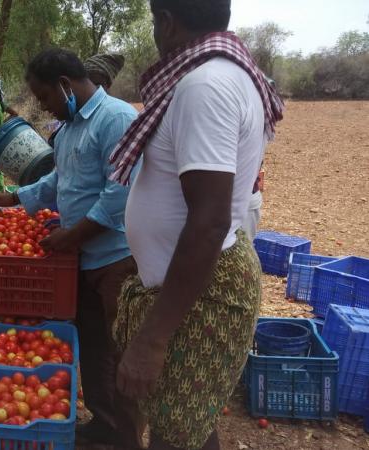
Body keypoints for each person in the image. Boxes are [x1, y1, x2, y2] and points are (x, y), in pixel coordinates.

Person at [108, 1, 284, 449]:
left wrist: (151, 340)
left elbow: (208, 221)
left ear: (166, 22)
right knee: (188, 425)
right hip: (194, 284)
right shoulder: (232, 75)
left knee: (176, 435)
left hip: (201, 294)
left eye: (153, 22)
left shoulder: (204, 86)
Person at [0, 49, 145, 450]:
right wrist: (15, 198)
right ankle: (104, 424)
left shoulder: (117, 119)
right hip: (83, 259)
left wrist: (70, 237)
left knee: (121, 350)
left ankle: (126, 438)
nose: (43, 106)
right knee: (92, 345)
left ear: (64, 85)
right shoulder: (70, 129)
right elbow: (59, 181)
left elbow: (118, 194)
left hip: (117, 259)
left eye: (44, 98)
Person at [47, 52, 124, 147]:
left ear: (107, 85)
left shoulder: (116, 117)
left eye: (96, 84)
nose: (91, 89)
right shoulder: (69, 122)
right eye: (87, 82)